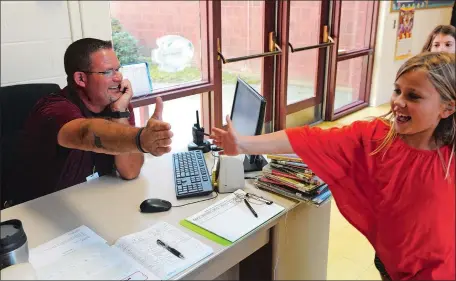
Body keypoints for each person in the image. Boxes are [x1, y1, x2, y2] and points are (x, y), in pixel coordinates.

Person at [211, 52, 455, 280]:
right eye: (397, 91)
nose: (398, 102)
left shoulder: (449, 158)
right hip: (393, 264)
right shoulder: (375, 137)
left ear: (447, 107)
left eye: (413, 96)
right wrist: (243, 144)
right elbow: (307, 139)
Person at [6, 38, 173, 206]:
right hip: (39, 209)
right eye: (108, 72)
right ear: (81, 79)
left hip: (91, 200)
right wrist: (140, 138)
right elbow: (84, 133)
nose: (119, 77)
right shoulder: (54, 109)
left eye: (118, 69)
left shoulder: (118, 105)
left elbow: (130, 171)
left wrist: (120, 113)